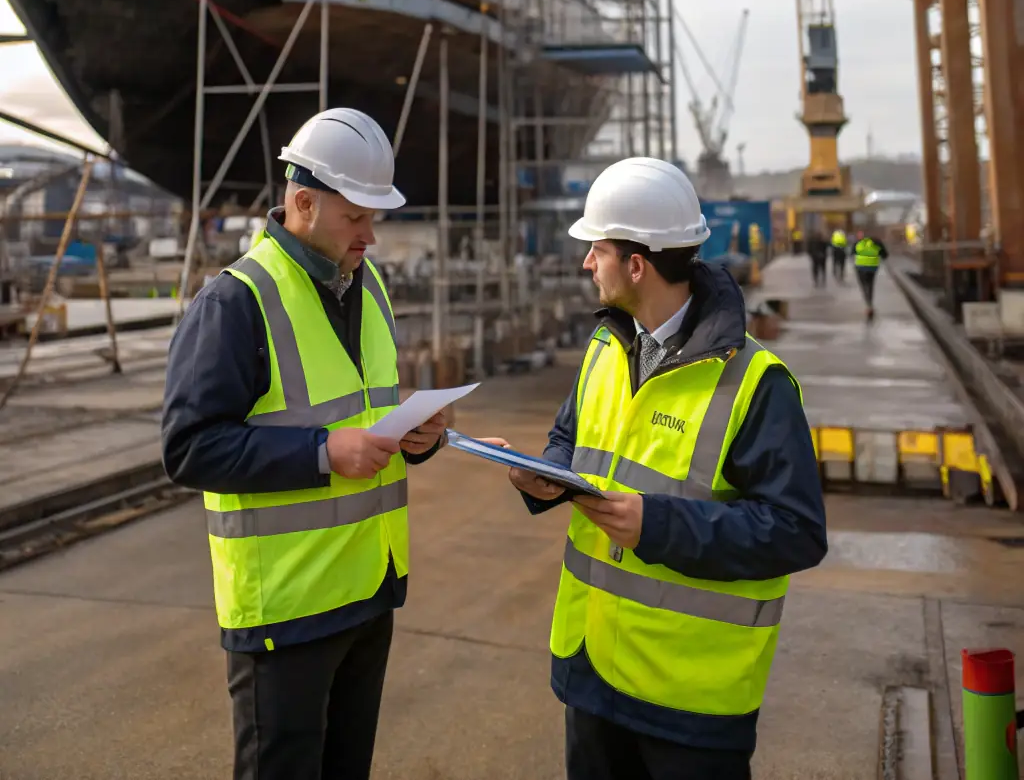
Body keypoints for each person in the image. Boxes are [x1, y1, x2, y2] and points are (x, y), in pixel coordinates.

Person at [506, 157, 827, 780]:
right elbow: (568, 438)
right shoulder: (605, 345)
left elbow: (796, 531)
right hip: (593, 671)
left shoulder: (756, 384)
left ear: (636, 264)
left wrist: (656, 526)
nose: (584, 264)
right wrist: (545, 474)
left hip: (691, 705)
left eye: (595, 249)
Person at [162, 108, 449, 780]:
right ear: (303, 202)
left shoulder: (368, 286)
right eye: (357, 219)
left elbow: (365, 410)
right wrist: (325, 452)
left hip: (367, 593)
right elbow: (188, 447)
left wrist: (414, 436)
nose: (370, 236)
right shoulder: (237, 302)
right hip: (285, 613)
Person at [852, 227, 888, 321]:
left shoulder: (859, 242)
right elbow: (885, 255)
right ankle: (870, 304)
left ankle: (868, 304)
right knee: (870, 285)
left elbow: (852, 253)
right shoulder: (877, 241)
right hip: (872, 267)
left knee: (864, 286)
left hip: (860, 267)